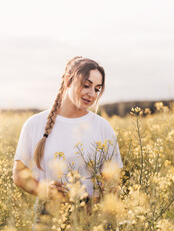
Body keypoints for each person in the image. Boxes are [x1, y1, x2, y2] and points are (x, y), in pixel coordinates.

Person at [13, 56, 123, 230]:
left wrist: (94, 205)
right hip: (48, 217)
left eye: (97, 89)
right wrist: (44, 190)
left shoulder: (103, 127)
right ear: (67, 81)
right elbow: (18, 175)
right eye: (86, 85)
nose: (91, 94)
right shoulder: (34, 124)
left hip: (91, 217)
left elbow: (113, 180)